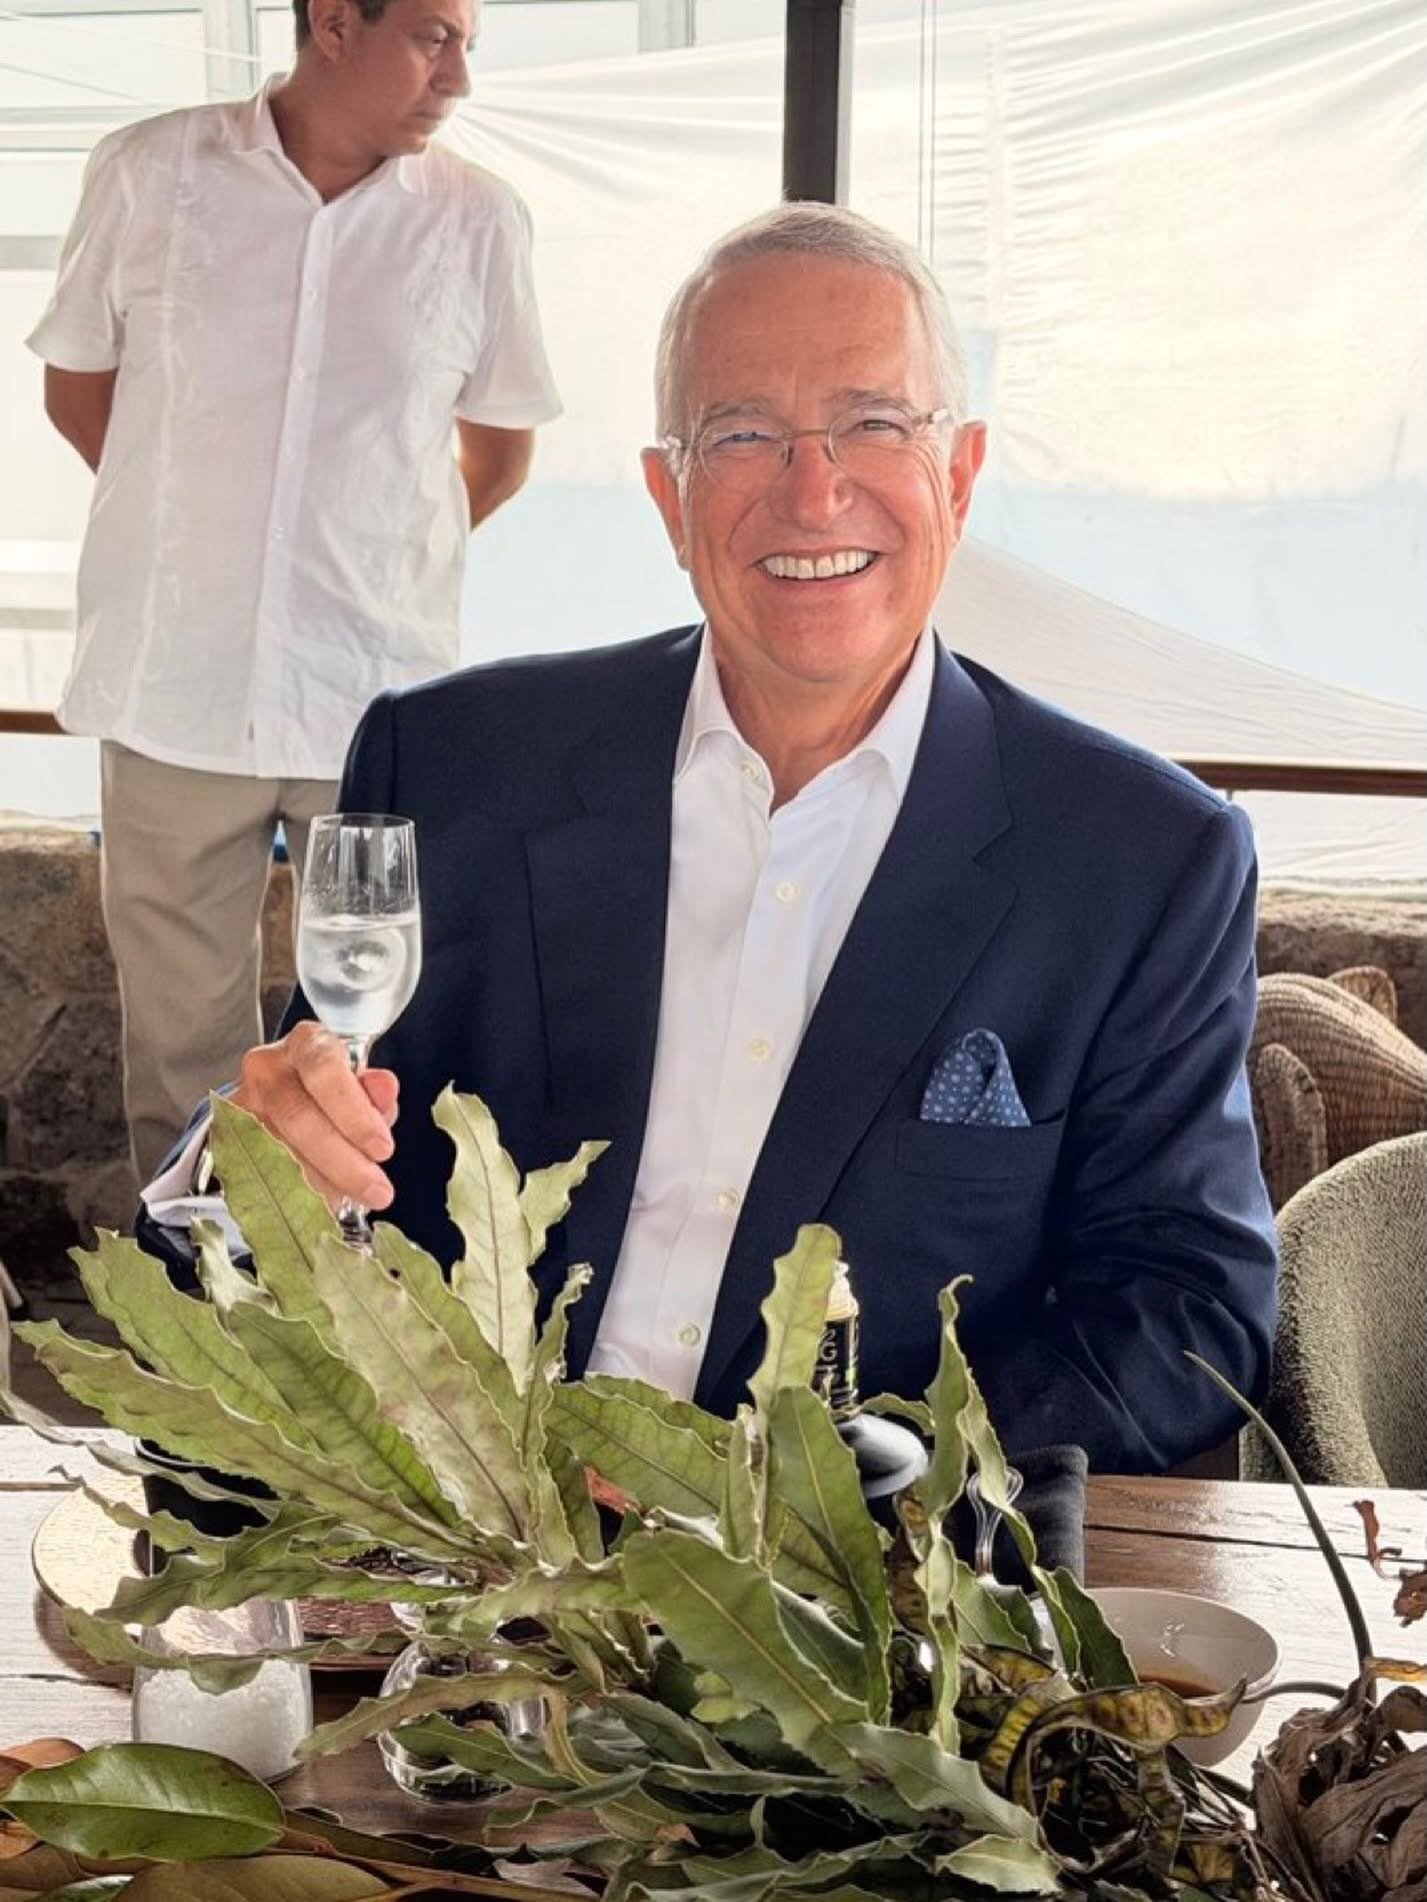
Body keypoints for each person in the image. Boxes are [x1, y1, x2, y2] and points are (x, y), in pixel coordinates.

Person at [145, 203, 1277, 1474]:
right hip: (456, 1529)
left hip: (845, 1575)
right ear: (668, 497)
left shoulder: (1138, 858)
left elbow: (1187, 1310)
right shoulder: (454, 765)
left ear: (957, 476)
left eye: (872, 424)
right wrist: (239, 1165)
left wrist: (829, 1496)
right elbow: (302, 1144)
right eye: (742, 434)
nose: (813, 491)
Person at [29, 0, 560, 1185]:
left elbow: (499, 452)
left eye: (467, 43)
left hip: (371, 706)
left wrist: (363, 555)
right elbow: (78, 392)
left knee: (378, 1050)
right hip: (171, 690)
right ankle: (198, 1295)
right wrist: (194, 538)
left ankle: (358, 1293)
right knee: (179, 1060)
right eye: (432, 37)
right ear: (333, 23)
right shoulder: (151, 173)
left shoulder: (477, 220)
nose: (459, 77)